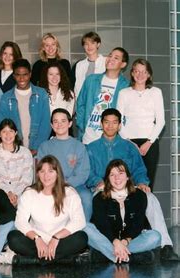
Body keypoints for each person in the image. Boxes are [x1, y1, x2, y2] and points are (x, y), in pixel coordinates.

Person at [87, 108, 179, 261]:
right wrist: (99, 182)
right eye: (107, 122)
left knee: (150, 198)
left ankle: (165, 246)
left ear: (119, 125)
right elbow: (88, 172)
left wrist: (142, 182)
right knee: (91, 214)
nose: (110, 126)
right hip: (103, 189)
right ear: (101, 124)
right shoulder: (91, 148)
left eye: (114, 122)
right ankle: (125, 252)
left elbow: (139, 169)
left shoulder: (129, 147)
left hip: (127, 189)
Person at [4, 155, 87, 265]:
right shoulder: (29, 193)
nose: (46, 175)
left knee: (81, 238)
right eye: (42, 171)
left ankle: (37, 261)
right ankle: (62, 260)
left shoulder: (69, 193)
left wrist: (56, 237)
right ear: (37, 174)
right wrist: (37, 238)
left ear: (57, 173)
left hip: (60, 240)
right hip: (36, 241)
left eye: (50, 171)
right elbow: (20, 222)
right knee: (13, 238)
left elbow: (79, 221)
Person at [84, 159, 161, 264]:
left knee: (155, 237)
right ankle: (128, 257)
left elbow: (138, 224)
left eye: (121, 173)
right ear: (108, 179)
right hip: (108, 240)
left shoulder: (139, 195)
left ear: (128, 177)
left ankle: (111, 255)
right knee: (85, 228)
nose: (117, 178)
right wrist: (116, 242)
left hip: (130, 241)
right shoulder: (99, 198)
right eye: (112, 175)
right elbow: (103, 225)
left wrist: (124, 242)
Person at [117, 59, 165, 190]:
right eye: (137, 71)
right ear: (132, 73)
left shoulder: (155, 92)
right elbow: (118, 121)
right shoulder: (124, 93)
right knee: (128, 183)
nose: (140, 75)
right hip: (129, 142)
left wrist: (149, 142)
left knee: (147, 184)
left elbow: (161, 121)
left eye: (144, 72)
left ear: (149, 74)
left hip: (150, 143)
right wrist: (130, 143)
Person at [37, 109, 91, 219]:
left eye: (63, 121)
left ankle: (84, 229)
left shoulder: (79, 146)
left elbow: (83, 173)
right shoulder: (45, 146)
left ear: (70, 123)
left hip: (75, 185)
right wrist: (55, 184)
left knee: (86, 197)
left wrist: (67, 183)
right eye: (55, 121)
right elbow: (41, 171)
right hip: (50, 184)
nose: (59, 124)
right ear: (51, 125)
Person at [76, 47, 130, 144]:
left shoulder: (126, 86)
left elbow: (128, 114)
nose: (111, 59)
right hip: (89, 138)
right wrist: (82, 126)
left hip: (112, 140)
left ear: (123, 64)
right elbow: (80, 104)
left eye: (116, 58)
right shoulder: (91, 80)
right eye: (110, 55)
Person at [0, 59, 51, 155]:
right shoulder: (5, 98)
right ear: (13, 76)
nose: (21, 78)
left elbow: (46, 124)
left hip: (38, 149)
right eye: (18, 75)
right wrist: (14, 147)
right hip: (14, 149)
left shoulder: (41, 94)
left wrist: (36, 147)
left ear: (30, 74)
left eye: (25, 74)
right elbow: (3, 125)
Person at [0, 119, 33, 207]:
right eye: (4, 131)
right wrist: (8, 193)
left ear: (16, 133)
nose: (8, 135)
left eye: (11, 131)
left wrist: (16, 195)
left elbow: (27, 178)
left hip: (22, 195)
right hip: (1, 195)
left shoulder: (25, 153)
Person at [71, 31, 106, 97]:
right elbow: (77, 87)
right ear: (83, 46)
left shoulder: (106, 62)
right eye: (86, 44)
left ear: (98, 44)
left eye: (92, 43)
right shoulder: (79, 65)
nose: (89, 47)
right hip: (82, 102)